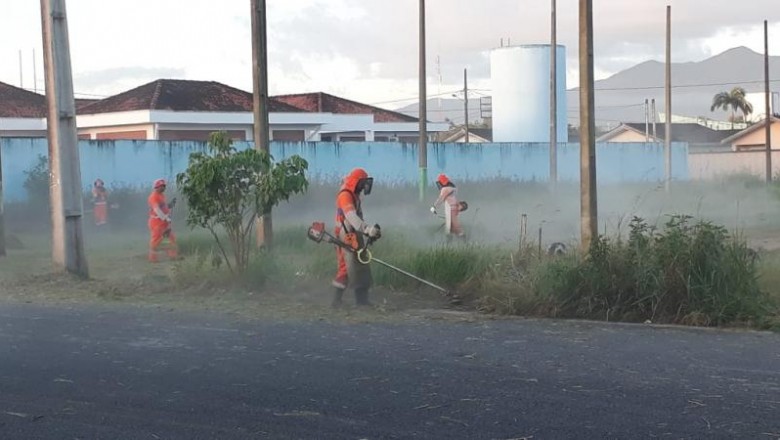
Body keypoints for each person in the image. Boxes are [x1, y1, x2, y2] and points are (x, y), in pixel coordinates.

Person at [332, 168, 382, 308]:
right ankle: (338, 301)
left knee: (360, 265)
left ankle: (360, 301)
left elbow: (359, 218)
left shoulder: (355, 196)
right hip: (345, 235)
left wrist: (368, 233)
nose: (365, 186)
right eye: (363, 183)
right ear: (356, 182)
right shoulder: (345, 195)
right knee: (349, 267)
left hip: (352, 233)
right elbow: (351, 217)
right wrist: (367, 230)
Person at [147, 178, 179, 263]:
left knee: (171, 238)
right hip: (156, 222)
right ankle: (153, 258)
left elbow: (163, 207)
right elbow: (157, 209)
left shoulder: (162, 196)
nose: (164, 187)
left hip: (163, 223)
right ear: (156, 187)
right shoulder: (153, 197)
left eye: (164, 186)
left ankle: (173, 256)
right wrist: (165, 217)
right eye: (162, 186)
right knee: (156, 240)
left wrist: (170, 205)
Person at [430, 173, 465, 238]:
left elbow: (440, 199)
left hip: (449, 208)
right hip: (454, 208)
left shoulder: (445, 189)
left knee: (449, 226)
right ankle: (462, 237)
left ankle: (449, 241)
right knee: (455, 224)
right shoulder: (453, 188)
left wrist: (434, 207)